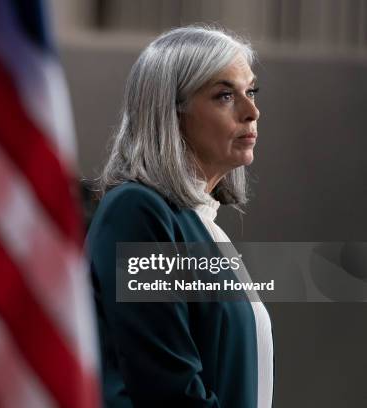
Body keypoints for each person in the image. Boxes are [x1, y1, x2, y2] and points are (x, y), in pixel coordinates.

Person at [86, 25, 274, 407]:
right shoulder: (137, 211)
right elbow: (167, 392)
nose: (252, 111)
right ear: (171, 113)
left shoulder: (201, 222)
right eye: (225, 95)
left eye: (250, 91)